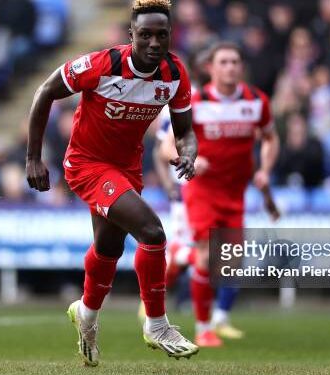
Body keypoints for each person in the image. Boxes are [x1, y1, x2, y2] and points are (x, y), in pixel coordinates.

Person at [24, 0, 199, 366]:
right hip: (87, 165)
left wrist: (188, 152)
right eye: (146, 35)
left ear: (170, 36)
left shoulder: (174, 74)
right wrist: (33, 158)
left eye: (161, 35)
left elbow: (185, 132)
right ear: (130, 35)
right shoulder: (102, 65)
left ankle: (86, 313)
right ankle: (156, 324)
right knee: (152, 231)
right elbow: (44, 92)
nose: (154, 42)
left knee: (108, 247)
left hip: (126, 169)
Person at [163, 42, 279, 347]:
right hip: (202, 189)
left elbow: (270, 137)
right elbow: (166, 146)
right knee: (206, 255)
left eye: (235, 61)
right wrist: (189, 158)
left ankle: (209, 308)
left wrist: (265, 168)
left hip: (235, 191)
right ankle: (203, 328)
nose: (230, 67)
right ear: (210, 68)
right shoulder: (195, 102)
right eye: (224, 62)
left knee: (230, 260)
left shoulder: (256, 101)